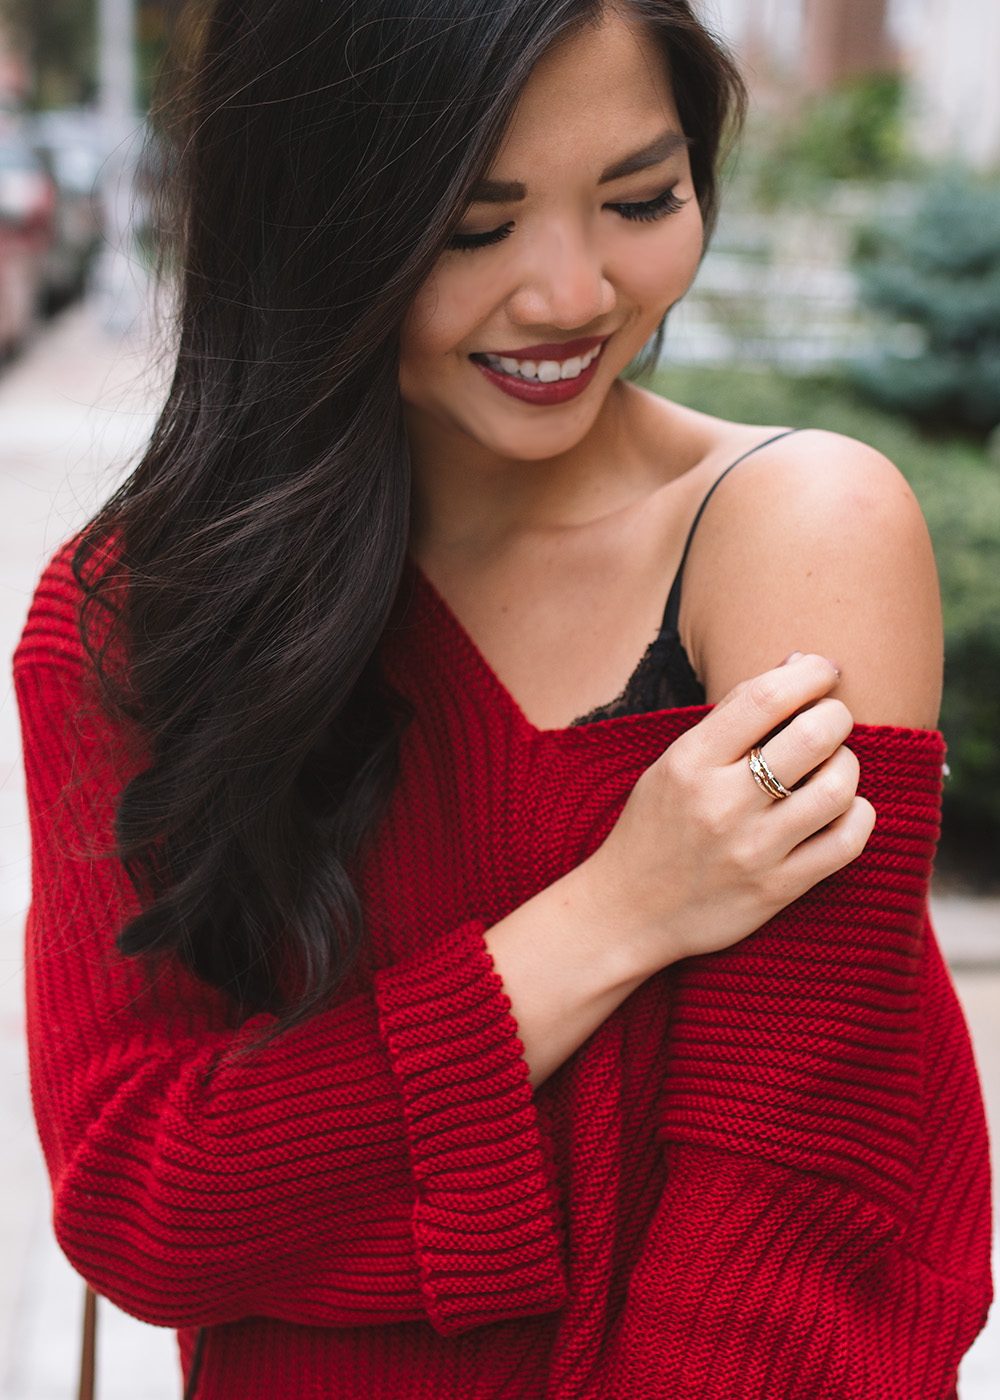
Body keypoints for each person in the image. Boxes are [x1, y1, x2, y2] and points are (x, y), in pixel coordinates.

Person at [14, 2, 992, 1397]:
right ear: (308, 218)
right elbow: (144, 1201)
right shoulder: (133, 622)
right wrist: (613, 914)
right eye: (475, 227)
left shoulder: (796, 535)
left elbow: (780, 1247)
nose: (571, 294)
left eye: (640, 197)